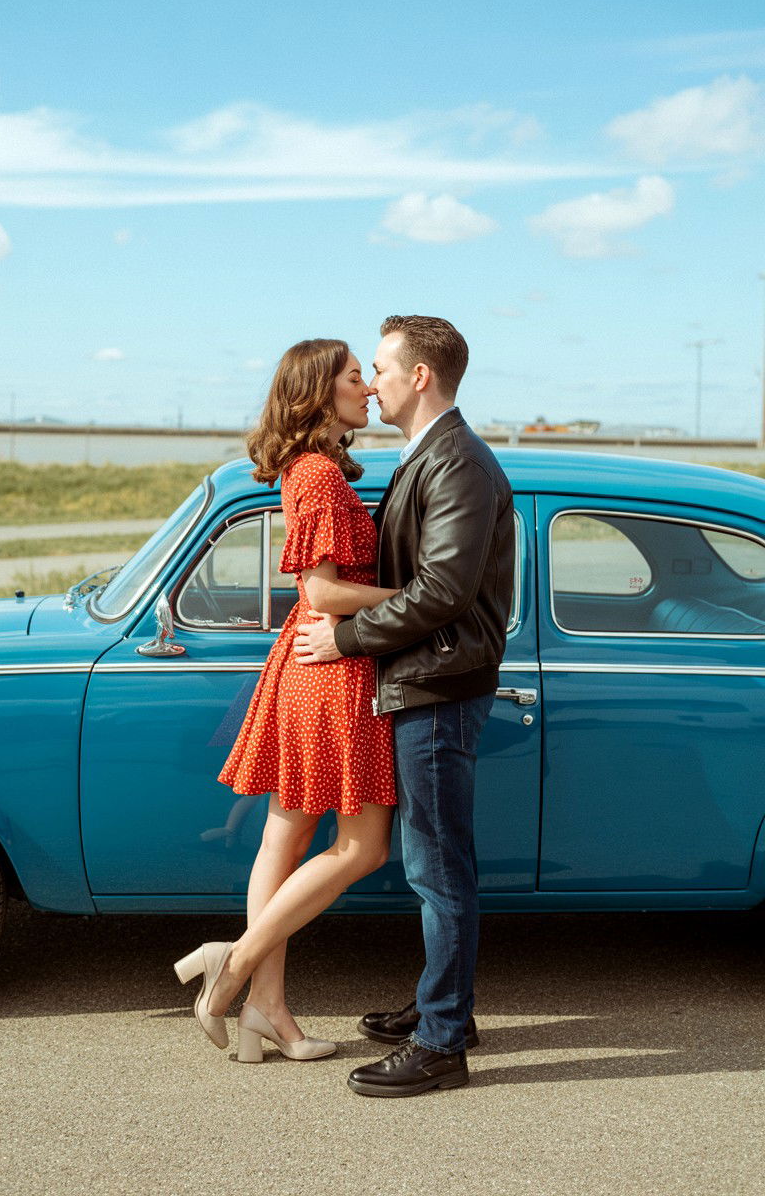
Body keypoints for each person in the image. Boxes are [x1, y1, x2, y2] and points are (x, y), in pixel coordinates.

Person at [295, 314, 515, 1098]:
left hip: (438, 685)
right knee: (439, 861)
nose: (372, 383)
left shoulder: (457, 462)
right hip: (426, 679)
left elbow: (443, 592)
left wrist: (346, 638)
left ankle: (443, 1041)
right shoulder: (431, 454)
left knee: (437, 867)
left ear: (419, 376)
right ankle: (444, 1006)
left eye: (381, 368)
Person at [173, 338, 399, 1063]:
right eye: (356, 377)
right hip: (332, 668)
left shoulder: (310, 469)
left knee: (286, 837)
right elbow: (322, 592)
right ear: (319, 391)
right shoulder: (319, 476)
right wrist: (417, 596)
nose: (368, 389)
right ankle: (235, 965)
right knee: (363, 846)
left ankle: (266, 1009)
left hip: (311, 664)